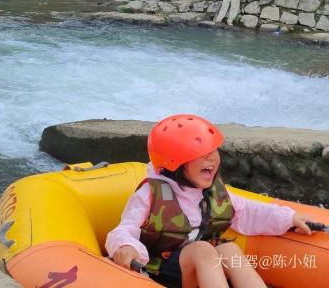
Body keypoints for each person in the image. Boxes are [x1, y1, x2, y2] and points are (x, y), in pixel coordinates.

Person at [106, 114, 311, 288]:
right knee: (203, 249)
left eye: (213, 151)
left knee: (229, 249)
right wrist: (126, 246)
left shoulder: (212, 190)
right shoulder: (150, 193)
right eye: (202, 155)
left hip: (200, 266)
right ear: (174, 163)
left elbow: (248, 210)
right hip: (158, 268)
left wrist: (289, 218)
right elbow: (123, 230)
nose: (212, 159)